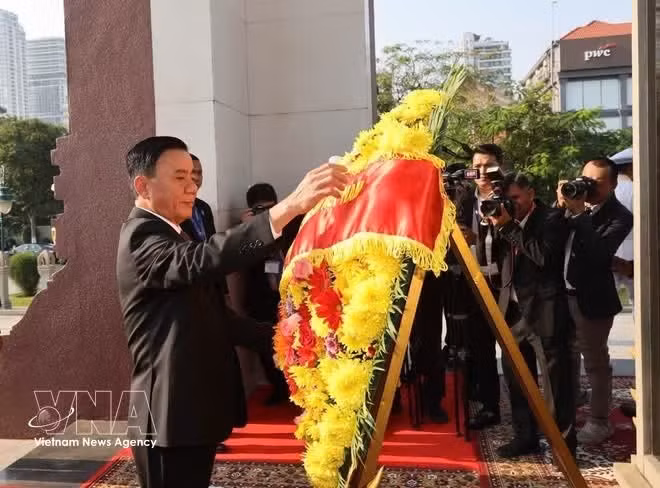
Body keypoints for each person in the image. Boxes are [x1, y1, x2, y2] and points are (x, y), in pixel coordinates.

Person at [116, 136, 348, 488]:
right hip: (167, 417)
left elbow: (217, 318)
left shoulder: (173, 233)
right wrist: (286, 209)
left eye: (193, 177)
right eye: (179, 177)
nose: (192, 186)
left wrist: (289, 342)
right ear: (142, 185)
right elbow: (202, 259)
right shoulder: (141, 236)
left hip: (190, 414)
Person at [488, 172, 575, 457]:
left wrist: (509, 227)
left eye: (515, 198)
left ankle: (563, 446)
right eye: (506, 199)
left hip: (544, 311)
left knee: (555, 384)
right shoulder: (502, 221)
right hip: (512, 311)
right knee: (517, 378)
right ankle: (525, 436)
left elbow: (544, 257)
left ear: (531, 194)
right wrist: (497, 228)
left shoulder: (550, 219)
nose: (511, 204)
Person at [557, 158, 633, 445]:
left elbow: (600, 254)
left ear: (613, 184)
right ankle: (571, 405)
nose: (587, 186)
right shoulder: (574, 203)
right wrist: (560, 207)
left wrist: (579, 215)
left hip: (593, 300)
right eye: (585, 178)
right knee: (565, 356)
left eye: (597, 182)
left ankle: (600, 421)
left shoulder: (620, 216)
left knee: (596, 362)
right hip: (562, 294)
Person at [226, 182, 290, 406]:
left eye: (270, 208)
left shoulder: (291, 222)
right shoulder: (246, 230)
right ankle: (278, 387)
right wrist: (248, 230)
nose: (266, 214)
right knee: (266, 345)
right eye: (260, 210)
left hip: (290, 293)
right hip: (262, 296)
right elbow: (242, 259)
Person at [461, 144, 507, 430]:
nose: (482, 172)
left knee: (515, 348)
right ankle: (489, 406)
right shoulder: (465, 198)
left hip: (507, 282)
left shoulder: (510, 194)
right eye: (476, 166)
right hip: (475, 280)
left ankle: (528, 408)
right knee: (480, 346)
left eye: (488, 165)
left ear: (500, 166)